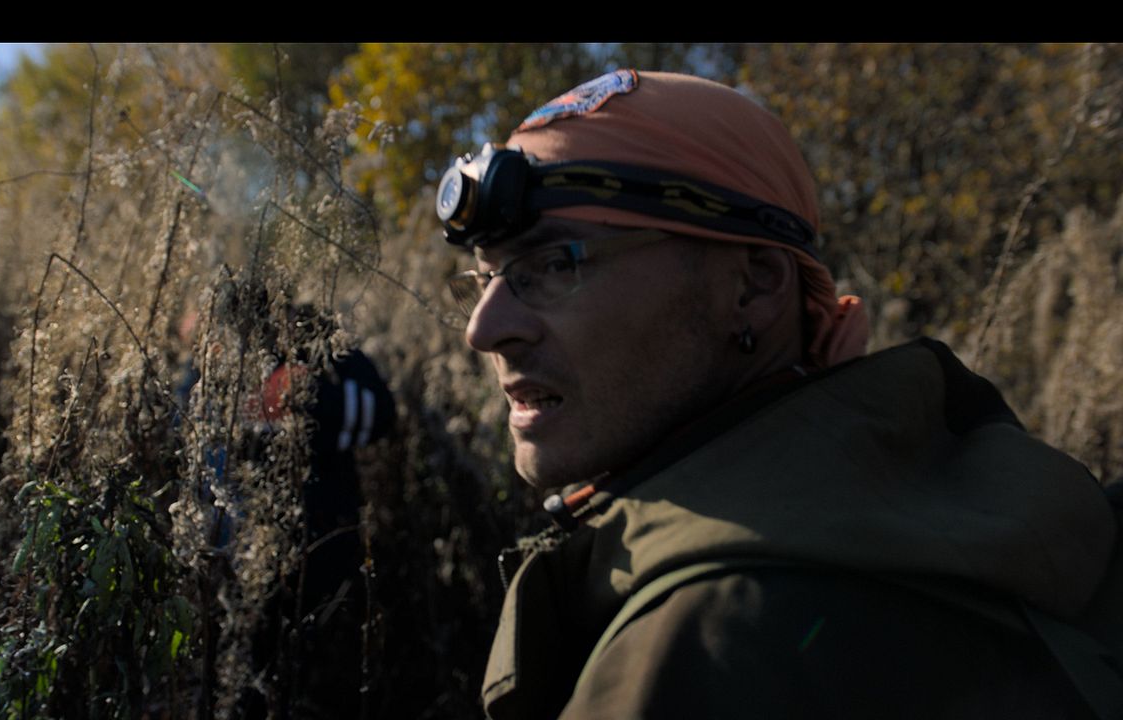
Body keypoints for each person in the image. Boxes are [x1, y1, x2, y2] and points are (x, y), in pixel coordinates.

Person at [436, 70, 1115, 719]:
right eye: (486, 277)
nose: (484, 329)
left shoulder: (698, 646)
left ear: (755, 286)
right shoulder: (1016, 510)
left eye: (554, 265)